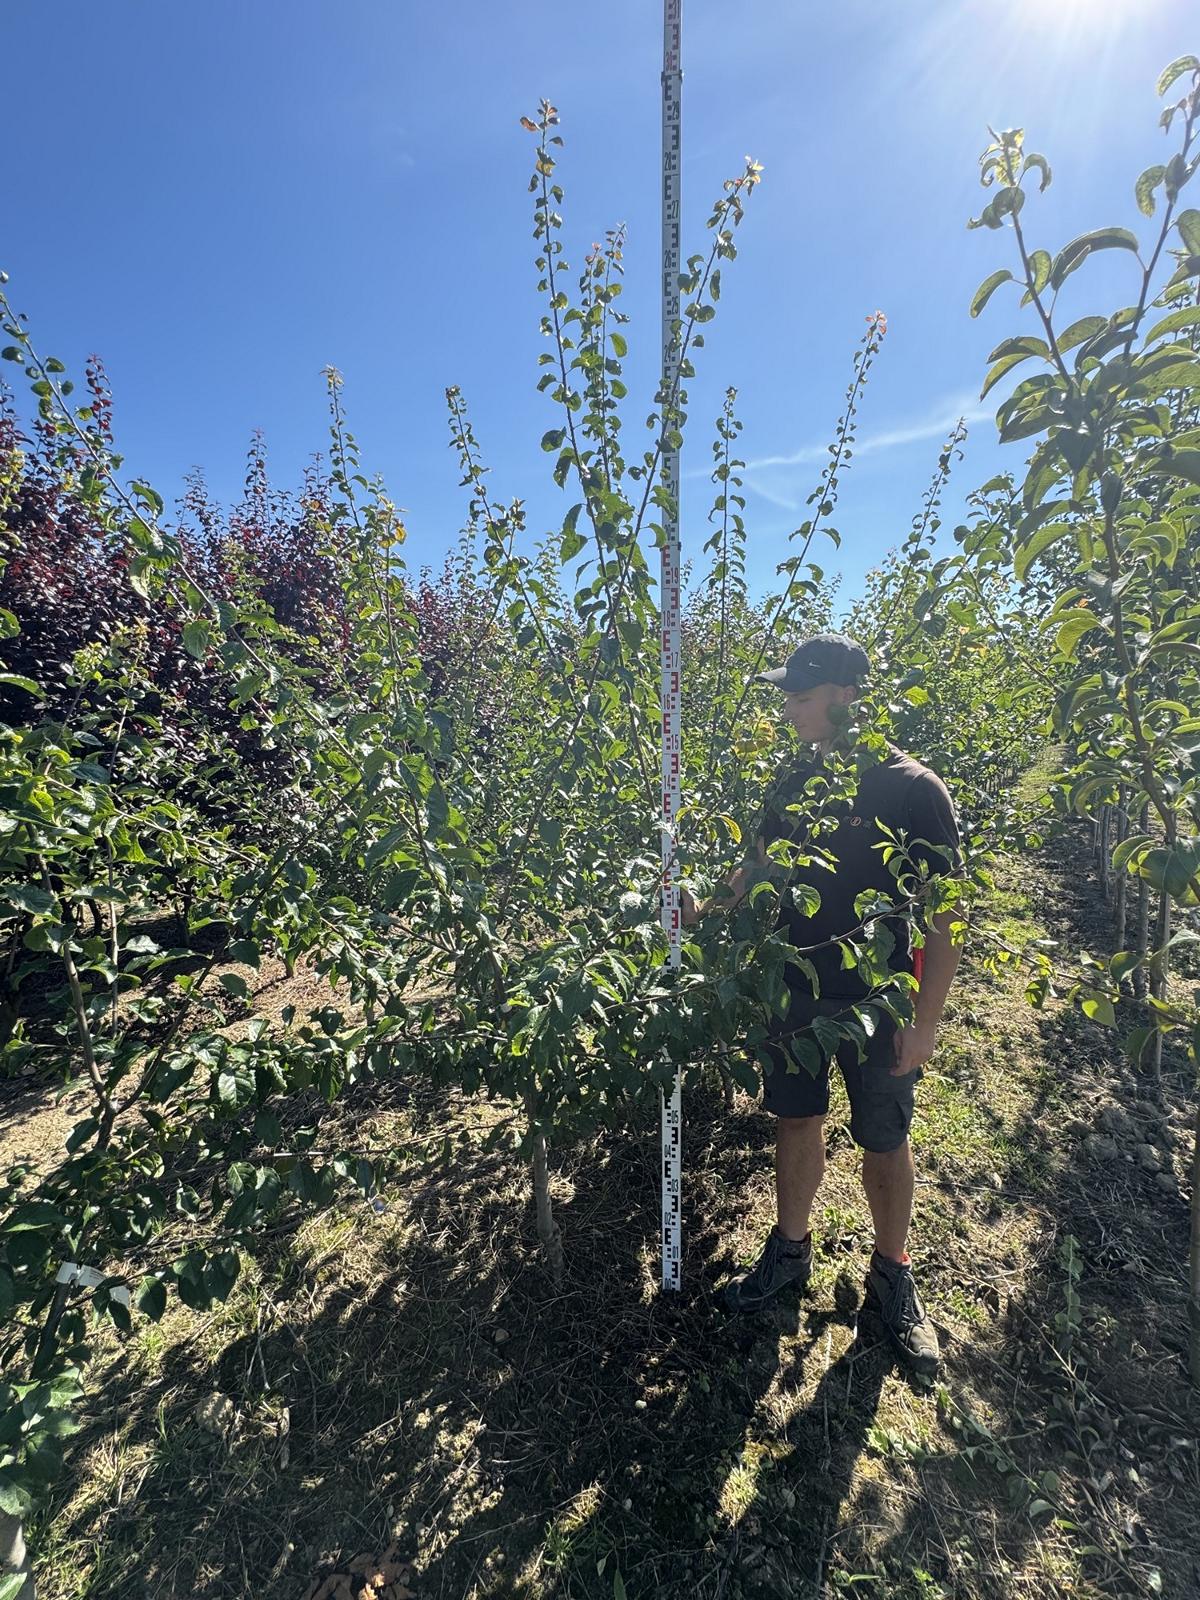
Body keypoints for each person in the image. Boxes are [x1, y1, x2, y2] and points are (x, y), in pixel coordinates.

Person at [681, 632, 962, 1374]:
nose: (788, 711)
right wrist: (705, 910)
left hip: (880, 1000)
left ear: (845, 696)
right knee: (796, 1117)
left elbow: (945, 914)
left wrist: (926, 1021)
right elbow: (760, 863)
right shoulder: (792, 780)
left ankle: (893, 1274)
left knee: (883, 1138)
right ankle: (790, 1252)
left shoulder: (912, 788)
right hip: (794, 990)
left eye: (800, 697)